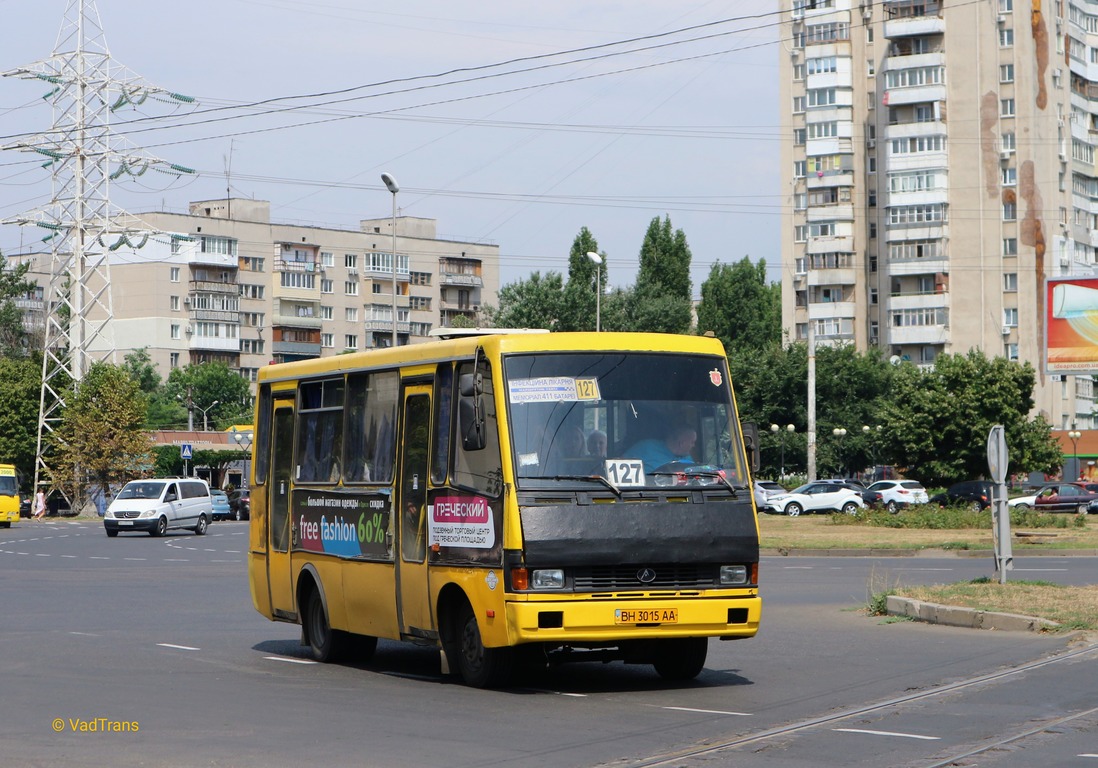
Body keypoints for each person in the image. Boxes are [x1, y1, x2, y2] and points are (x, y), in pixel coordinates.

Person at [627, 425, 697, 474]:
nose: (694, 446)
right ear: (681, 443)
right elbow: (620, 465)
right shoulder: (646, 447)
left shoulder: (687, 458)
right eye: (692, 442)